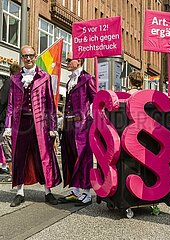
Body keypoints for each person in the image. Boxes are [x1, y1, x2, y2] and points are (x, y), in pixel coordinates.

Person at [4, 45, 61, 207]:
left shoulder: (44, 77)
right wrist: (8, 125)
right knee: (19, 157)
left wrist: (52, 127)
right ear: (21, 58)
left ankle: (47, 191)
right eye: (25, 56)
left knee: (42, 157)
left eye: (31, 56)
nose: (28, 59)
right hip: (20, 124)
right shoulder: (15, 78)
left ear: (35, 56)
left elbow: (50, 104)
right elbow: (10, 104)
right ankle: (19, 192)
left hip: (40, 124)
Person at [58, 52, 96, 206]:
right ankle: (75, 190)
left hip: (82, 125)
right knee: (70, 156)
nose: (66, 61)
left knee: (84, 158)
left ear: (79, 61)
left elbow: (96, 99)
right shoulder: (69, 81)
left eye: (69, 59)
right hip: (68, 125)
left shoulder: (87, 78)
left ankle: (87, 193)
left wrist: (93, 119)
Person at [0, 63, 21, 183]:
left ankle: (12, 175)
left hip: (7, 120)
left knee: (8, 147)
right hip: (19, 120)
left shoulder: (10, 81)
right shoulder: (22, 83)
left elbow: (3, 99)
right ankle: (17, 173)